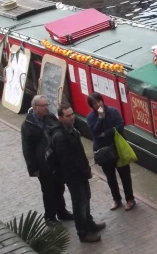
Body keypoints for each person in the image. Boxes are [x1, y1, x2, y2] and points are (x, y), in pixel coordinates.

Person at [51, 104, 105, 242]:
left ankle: (90, 223)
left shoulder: (72, 130)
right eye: (68, 116)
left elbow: (79, 153)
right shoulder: (59, 136)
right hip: (73, 176)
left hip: (81, 173)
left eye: (72, 114)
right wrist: (80, 171)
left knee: (86, 199)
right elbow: (66, 161)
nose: (72, 117)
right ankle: (83, 232)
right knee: (79, 203)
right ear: (60, 118)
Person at [21, 95, 73, 226]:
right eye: (43, 106)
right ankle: (49, 217)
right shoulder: (28, 125)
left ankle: (62, 212)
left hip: (56, 161)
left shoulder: (50, 117)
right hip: (43, 165)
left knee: (59, 187)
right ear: (35, 107)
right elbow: (27, 149)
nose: (46, 108)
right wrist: (33, 168)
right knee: (48, 190)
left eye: (47, 105)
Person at [87, 93, 135, 211]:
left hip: (118, 148)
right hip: (104, 152)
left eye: (99, 101)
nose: (98, 104)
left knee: (125, 176)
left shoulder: (113, 111)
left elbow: (119, 126)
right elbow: (95, 132)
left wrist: (106, 133)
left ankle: (130, 199)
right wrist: (100, 118)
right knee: (110, 177)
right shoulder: (91, 117)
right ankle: (116, 199)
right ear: (91, 106)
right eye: (94, 103)